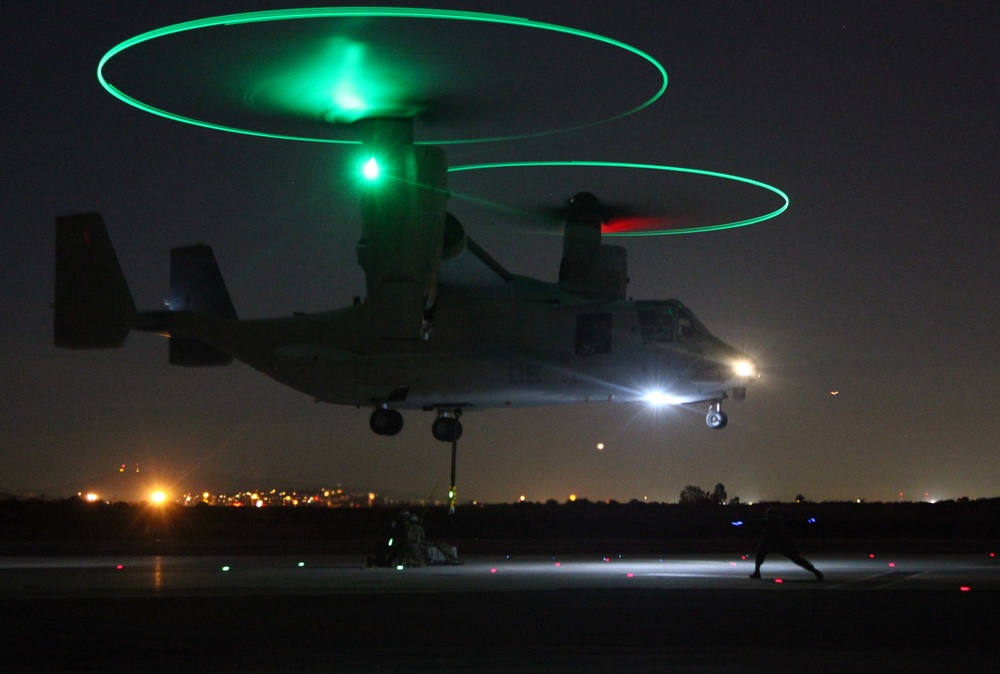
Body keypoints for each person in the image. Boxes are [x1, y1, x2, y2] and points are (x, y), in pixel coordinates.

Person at [749, 508, 823, 580]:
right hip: (782, 543)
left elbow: (754, 523)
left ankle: (757, 572)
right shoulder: (782, 521)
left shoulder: (767, 521)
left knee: (760, 551)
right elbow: (795, 523)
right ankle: (815, 571)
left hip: (771, 543)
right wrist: (807, 521)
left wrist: (742, 523)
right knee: (797, 559)